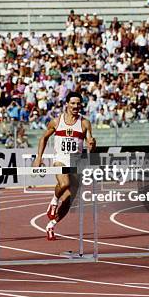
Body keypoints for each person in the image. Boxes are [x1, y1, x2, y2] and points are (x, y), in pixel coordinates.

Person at [32, 92, 96, 241]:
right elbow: (44, 138)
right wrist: (38, 158)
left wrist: (92, 144)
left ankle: (51, 224)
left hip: (76, 162)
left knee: (69, 200)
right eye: (73, 103)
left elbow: (90, 144)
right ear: (67, 104)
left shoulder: (85, 123)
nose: (76, 106)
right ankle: (54, 201)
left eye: (78, 103)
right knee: (64, 183)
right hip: (60, 159)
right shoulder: (56, 121)